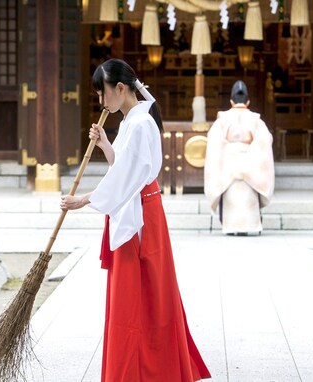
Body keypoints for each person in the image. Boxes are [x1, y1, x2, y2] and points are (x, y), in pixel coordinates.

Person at [60, 58, 211, 382]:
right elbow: (125, 167)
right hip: (136, 206)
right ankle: (136, 368)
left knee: (142, 294)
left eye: (103, 94)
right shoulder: (132, 120)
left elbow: (130, 176)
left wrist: (85, 199)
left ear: (120, 88)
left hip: (141, 214)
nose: (102, 102)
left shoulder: (141, 122)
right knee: (139, 293)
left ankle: (141, 369)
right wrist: (104, 144)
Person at [204, 80, 275, 235]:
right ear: (248, 102)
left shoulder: (222, 120)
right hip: (251, 165)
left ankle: (230, 226)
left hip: (228, 164)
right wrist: (249, 156)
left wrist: (228, 154)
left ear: (231, 101)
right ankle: (250, 226)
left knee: (231, 195)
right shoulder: (256, 120)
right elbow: (265, 141)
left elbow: (214, 142)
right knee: (248, 195)